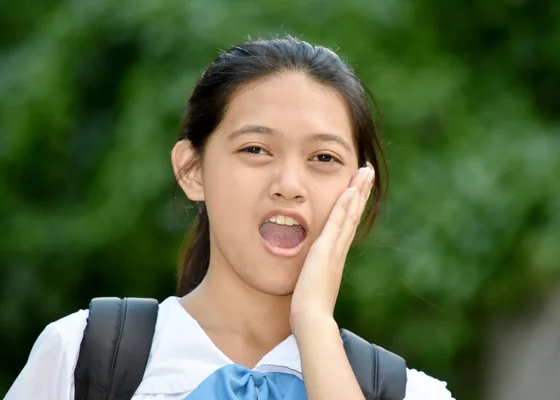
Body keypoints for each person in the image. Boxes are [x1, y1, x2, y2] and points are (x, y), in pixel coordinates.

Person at [5, 36, 454, 399]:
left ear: (359, 187)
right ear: (192, 169)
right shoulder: (83, 355)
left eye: (323, 156)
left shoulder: (412, 393)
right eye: (255, 149)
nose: (290, 183)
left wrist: (314, 325)